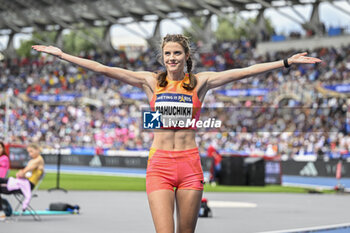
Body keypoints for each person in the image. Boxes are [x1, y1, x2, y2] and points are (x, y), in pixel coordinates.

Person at [32, 35, 321, 232]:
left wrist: (285, 62)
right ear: (163, 57)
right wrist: (62, 56)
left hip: (189, 165)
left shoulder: (200, 82)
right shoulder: (149, 82)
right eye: (167, 53)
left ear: (186, 56)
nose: (171, 57)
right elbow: (104, 68)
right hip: (159, 165)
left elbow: (244, 71)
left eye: (177, 53)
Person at [0, 144, 44, 221]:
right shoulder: (33, 160)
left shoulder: (38, 160)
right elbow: (23, 173)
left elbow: (23, 172)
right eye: (29, 152)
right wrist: (22, 173)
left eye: (31, 151)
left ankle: (1, 212)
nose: (30, 154)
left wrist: (22, 172)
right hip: (23, 182)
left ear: (37, 150)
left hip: (26, 186)